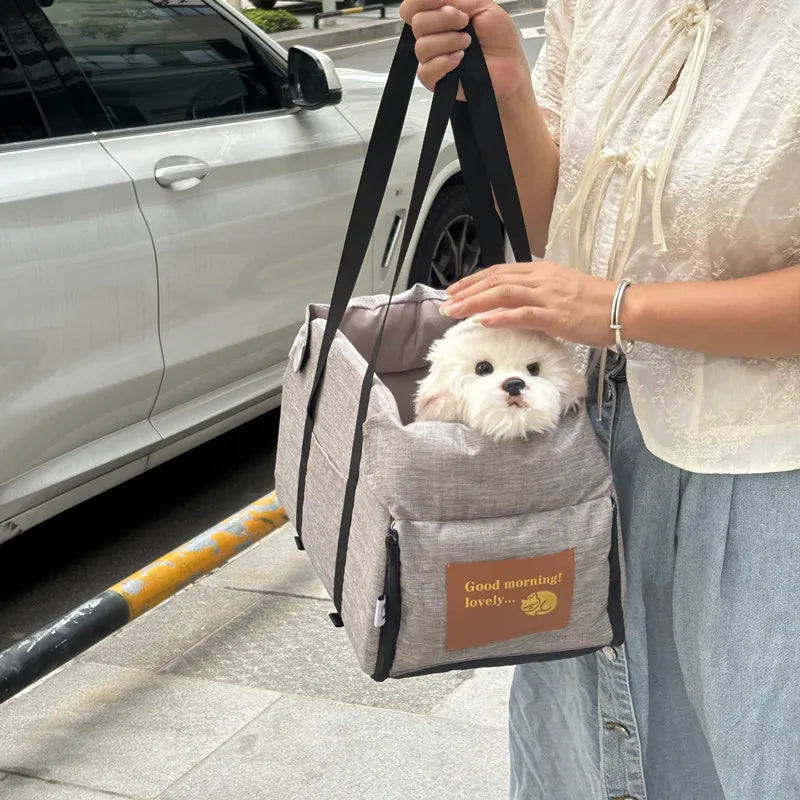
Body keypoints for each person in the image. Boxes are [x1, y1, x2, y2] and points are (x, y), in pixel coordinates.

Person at [397, 0, 800, 797]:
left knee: (750, 754)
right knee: (590, 755)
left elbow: (602, 288)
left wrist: (620, 309)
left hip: (763, 474)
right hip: (585, 453)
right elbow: (559, 224)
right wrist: (506, 88)